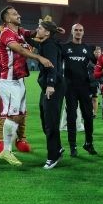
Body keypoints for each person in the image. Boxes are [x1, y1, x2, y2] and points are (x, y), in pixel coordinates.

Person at [0, 6, 53, 166]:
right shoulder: (6, 34)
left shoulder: (20, 32)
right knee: (13, 116)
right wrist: (39, 57)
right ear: (8, 19)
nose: (19, 15)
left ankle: (9, 148)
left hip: (19, 79)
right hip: (9, 80)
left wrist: (52, 29)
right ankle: (6, 151)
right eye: (15, 14)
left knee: (20, 116)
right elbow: (20, 50)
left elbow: (34, 34)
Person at [62, 23, 97, 157]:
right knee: (71, 117)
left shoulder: (87, 49)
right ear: (72, 31)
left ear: (83, 32)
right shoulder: (65, 48)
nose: (78, 32)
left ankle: (89, 143)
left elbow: (97, 63)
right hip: (70, 88)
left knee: (88, 117)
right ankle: (73, 146)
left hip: (84, 87)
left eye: (80, 30)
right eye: (76, 30)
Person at [36, 21, 67, 169]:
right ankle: (57, 148)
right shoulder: (47, 43)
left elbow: (52, 65)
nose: (37, 30)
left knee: (51, 122)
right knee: (46, 119)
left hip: (52, 87)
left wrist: (51, 84)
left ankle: (53, 156)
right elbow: (32, 41)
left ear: (47, 33)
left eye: (40, 28)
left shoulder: (49, 46)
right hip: (50, 86)